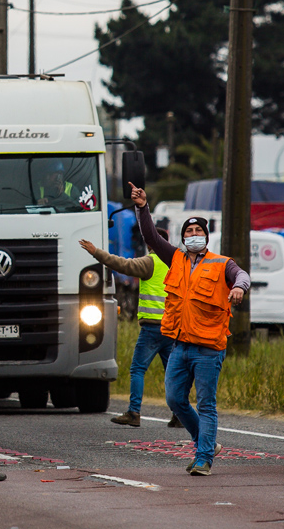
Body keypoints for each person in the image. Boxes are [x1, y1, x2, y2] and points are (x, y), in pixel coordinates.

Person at [130, 183, 250, 476]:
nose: (194, 235)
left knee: (206, 405)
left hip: (209, 349)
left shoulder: (222, 264)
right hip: (179, 346)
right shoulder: (176, 259)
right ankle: (205, 442)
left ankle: (203, 458)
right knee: (174, 400)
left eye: (198, 231)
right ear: (183, 238)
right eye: (189, 232)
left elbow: (242, 275)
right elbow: (150, 236)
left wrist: (238, 287)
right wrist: (143, 207)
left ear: (206, 237)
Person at [79, 229, 181, 428]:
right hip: (172, 328)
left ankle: (134, 412)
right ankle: (179, 414)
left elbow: (122, 264)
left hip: (152, 328)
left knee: (138, 369)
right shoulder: (176, 263)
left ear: (151, 244)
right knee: (172, 372)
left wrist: (96, 252)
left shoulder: (150, 262)